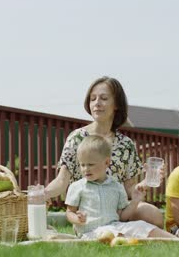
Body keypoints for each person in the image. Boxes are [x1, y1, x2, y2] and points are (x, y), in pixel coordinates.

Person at [45, 76, 164, 228]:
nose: (97, 103)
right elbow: (61, 181)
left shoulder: (126, 144)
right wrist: (43, 194)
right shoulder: (77, 138)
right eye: (93, 99)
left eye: (103, 98)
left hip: (117, 210)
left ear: (116, 105)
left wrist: (147, 182)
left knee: (154, 215)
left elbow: (129, 189)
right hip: (88, 213)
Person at [65, 135, 176, 239]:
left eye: (90, 164)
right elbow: (69, 212)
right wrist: (77, 219)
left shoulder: (116, 186)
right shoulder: (77, 187)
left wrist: (135, 201)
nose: (85, 169)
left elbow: (122, 217)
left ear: (107, 162)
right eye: (82, 164)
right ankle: (127, 239)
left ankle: (177, 240)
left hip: (115, 226)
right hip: (90, 232)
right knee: (113, 233)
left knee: (141, 225)